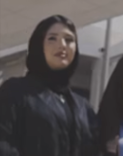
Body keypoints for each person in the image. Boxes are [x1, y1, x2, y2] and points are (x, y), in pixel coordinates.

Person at [0, 15, 98, 156]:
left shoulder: (83, 107)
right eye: (52, 38)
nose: (62, 45)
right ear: (39, 45)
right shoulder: (15, 91)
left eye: (69, 40)